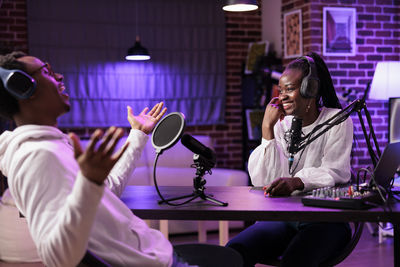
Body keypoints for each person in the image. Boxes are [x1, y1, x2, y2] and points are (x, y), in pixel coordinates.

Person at [0, 51, 195, 267]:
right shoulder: (38, 157)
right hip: (154, 263)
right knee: (239, 248)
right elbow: (57, 257)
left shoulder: (52, 147)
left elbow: (106, 190)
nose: (60, 77)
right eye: (46, 72)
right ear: (23, 87)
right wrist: (89, 183)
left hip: (153, 255)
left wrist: (138, 134)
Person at [226, 52, 354, 267]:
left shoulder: (337, 120)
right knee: (234, 252)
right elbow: (262, 180)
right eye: (281, 89)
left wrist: (296, 181)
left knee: (295, 261)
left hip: (326, 220)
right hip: (284, 217)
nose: (282, 96)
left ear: (310, 89)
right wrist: (267, 130)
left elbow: (335, 170)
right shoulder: (281, 125)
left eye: (290, 89)